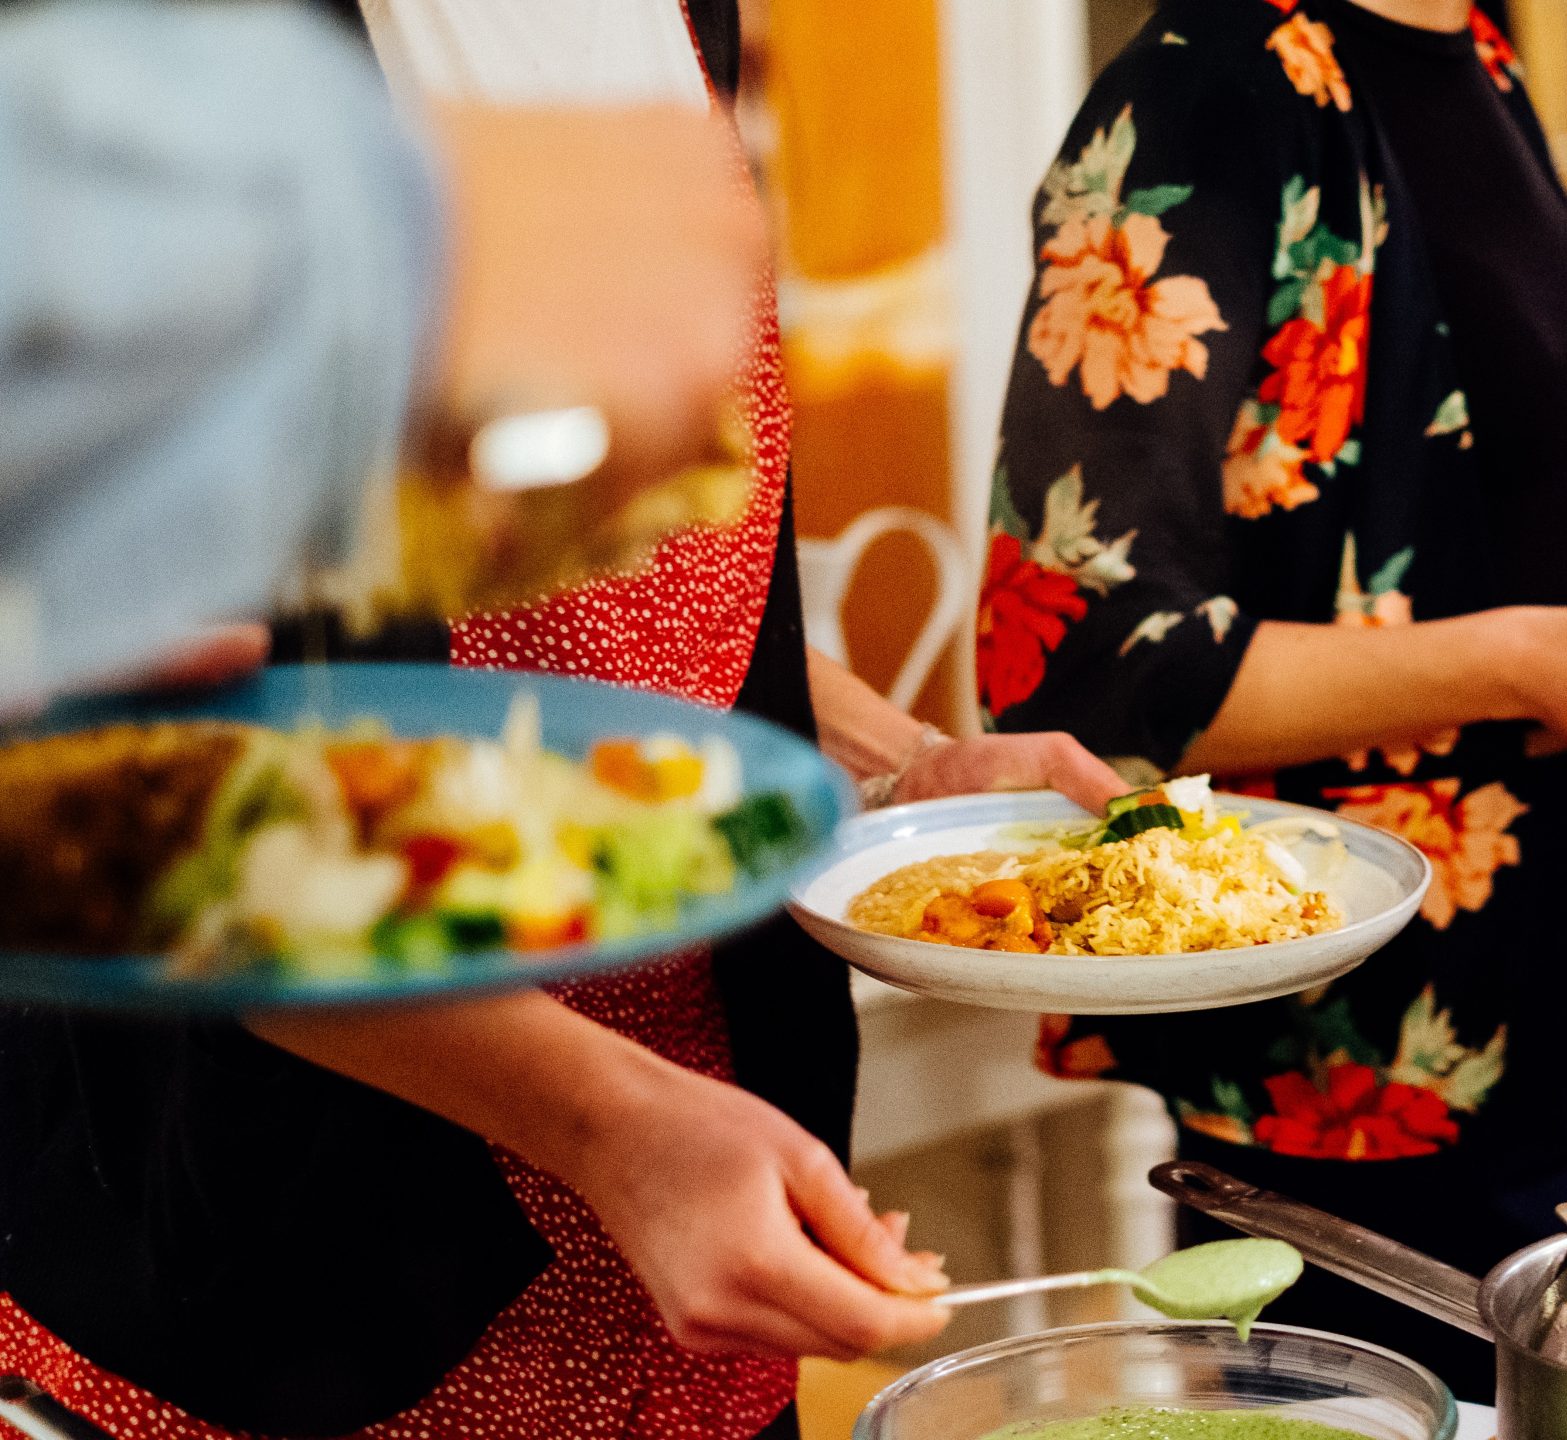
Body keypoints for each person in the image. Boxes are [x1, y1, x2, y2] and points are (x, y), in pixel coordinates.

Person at [0, 4, 1122, 1438]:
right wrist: (608, 1123)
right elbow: (138, 792)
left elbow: (650, 594)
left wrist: (897, 765)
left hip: (702, 1190)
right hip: (313, 1261)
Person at [982, 0, 1567, 1397]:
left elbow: (1488, 535)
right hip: (1360, 1058)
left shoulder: (1478, 58)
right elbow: (1090, 664)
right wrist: (1523, 665)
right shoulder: (1208, 93)